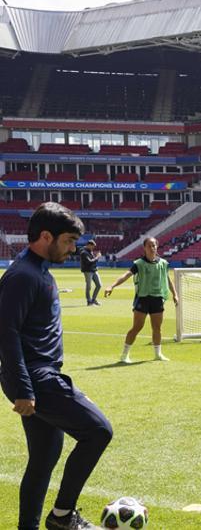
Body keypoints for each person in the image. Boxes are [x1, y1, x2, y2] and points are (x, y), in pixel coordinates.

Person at [1, 203, 114, 530]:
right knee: (98, 431)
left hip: (42, 377)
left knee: (44, 457)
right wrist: (23, 389)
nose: (72, 248)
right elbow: (6, 334)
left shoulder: (37, 270)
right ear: (45, 236)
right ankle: (63, 516)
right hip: (35, 379)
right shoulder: (23, 276)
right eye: (67, 241)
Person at [105, 237, 176, 363]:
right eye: (149, 245)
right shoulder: (139, 264)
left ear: (157, 246)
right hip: (143, 299)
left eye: (154, 245)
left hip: (157, 299)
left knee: (157, 328)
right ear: (144, 248)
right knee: (137, 327)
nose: (152, 247)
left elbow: (168, 279)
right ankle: (125, 355)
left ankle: (158, 354)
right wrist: (112, 286)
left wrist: (175, 294)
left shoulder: (163, 263)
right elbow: (126, 275)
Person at [78, 240, 101, 306]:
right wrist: (97, 257)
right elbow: (90, 262)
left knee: (99, 285)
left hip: (94, 270)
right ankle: (89, 301)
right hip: (87, 271)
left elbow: (93, 261)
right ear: (88, 245)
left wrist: (95, 265)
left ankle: (93, 300)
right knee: (89, 287)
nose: (93, 248)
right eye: (92, 246)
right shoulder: (83, 252)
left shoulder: (89, 251)